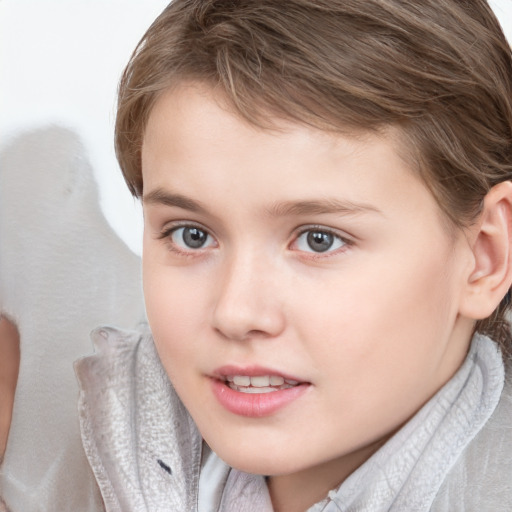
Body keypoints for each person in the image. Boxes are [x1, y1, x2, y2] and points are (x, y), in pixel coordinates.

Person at [75, 0, 512, 510]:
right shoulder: (45, 452)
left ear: (484, 256)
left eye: (318, 240)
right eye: (192, 235)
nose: (236, 313)